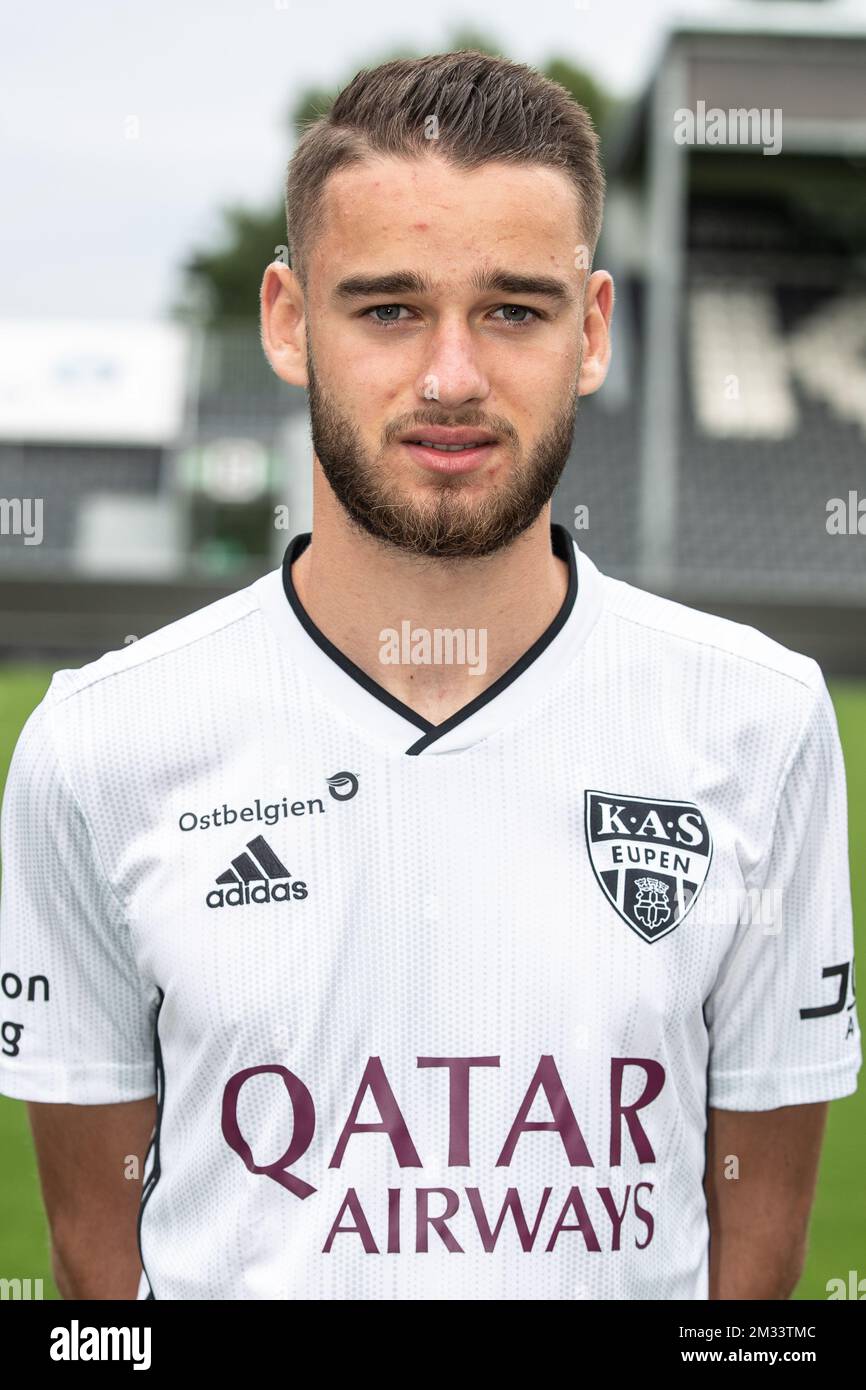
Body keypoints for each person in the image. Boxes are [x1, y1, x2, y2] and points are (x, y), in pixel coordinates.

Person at [0, 49, 859, 1301]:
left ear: (592, 331)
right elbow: (97, 1270)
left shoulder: (760, 723)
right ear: (290, 322)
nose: (450, 376)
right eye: (389, 308)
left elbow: (755, 1269)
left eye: (513, 309)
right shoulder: (101, 747)